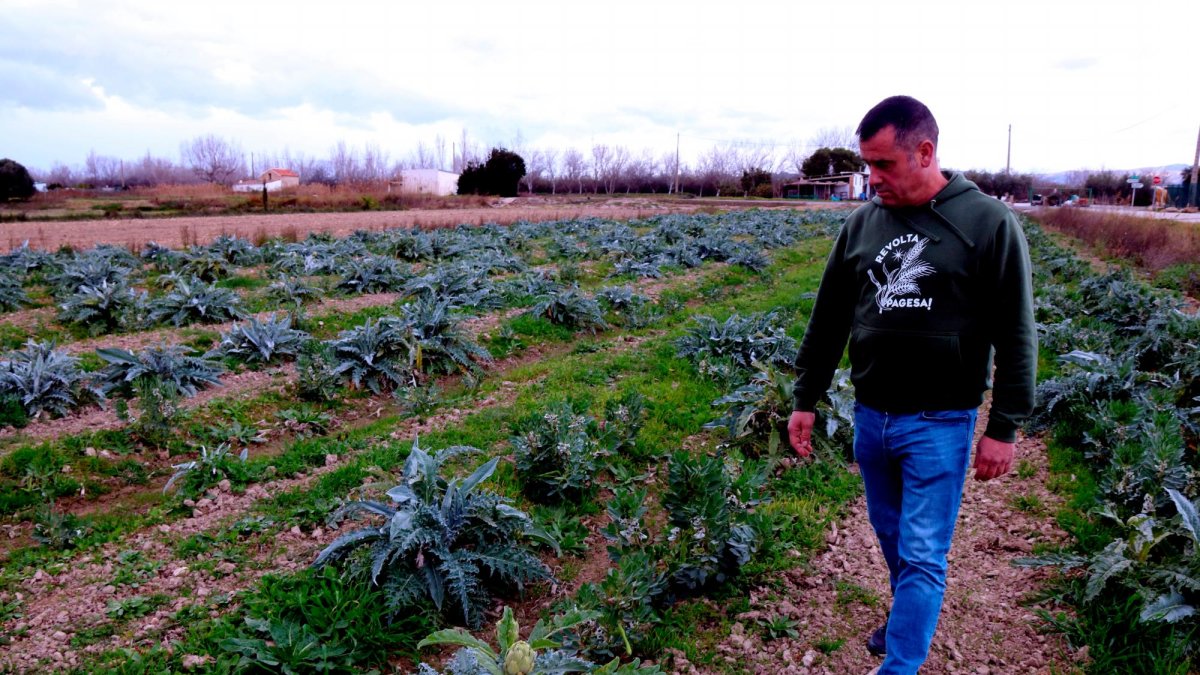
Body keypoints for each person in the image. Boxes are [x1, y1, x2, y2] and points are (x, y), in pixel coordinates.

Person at [787, 96, 1036, 675]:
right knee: (892, 533)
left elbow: (1017, 334)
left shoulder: (988, 224)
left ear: (924, 153)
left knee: (924, 554)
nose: (871, 179)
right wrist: (806, 398)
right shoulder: (862, 223)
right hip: (871, 416)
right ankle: (908, 613)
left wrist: (1005, 426)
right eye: (867, 165)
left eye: (884, 166)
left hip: (939, 422)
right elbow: (828, 320)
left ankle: (900, 665)